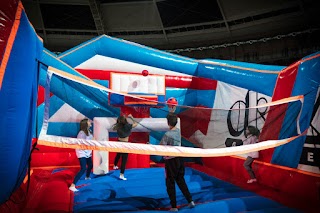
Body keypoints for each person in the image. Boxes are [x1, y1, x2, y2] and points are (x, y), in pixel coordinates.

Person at [160, 113, 195, 211]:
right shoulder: (178, 131)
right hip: (180, 158)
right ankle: (190, 200)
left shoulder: (167, 134)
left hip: (171, 161)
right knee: (181, 180)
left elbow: (161, 146)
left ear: (168, 122)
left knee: (170, 183)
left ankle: (174, 206)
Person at [69, 118, 93, 192]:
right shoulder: (82, 133)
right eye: (89, 121)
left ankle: (87, 176)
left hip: (87, 152)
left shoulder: (89, 131)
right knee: (83, 168)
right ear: (86, 124)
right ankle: (72, 185)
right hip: (82, 152)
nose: (90, 122)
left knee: (90, 165)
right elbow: (82, 143)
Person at [112, 114, 138, 180]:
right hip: (125, 143)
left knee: (118, 154)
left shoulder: (117, 126)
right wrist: (132, 118)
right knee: (124, 160)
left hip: (119, 142)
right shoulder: (127, 126)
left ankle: (115, 165)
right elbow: (136, 124)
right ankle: (121, 174)